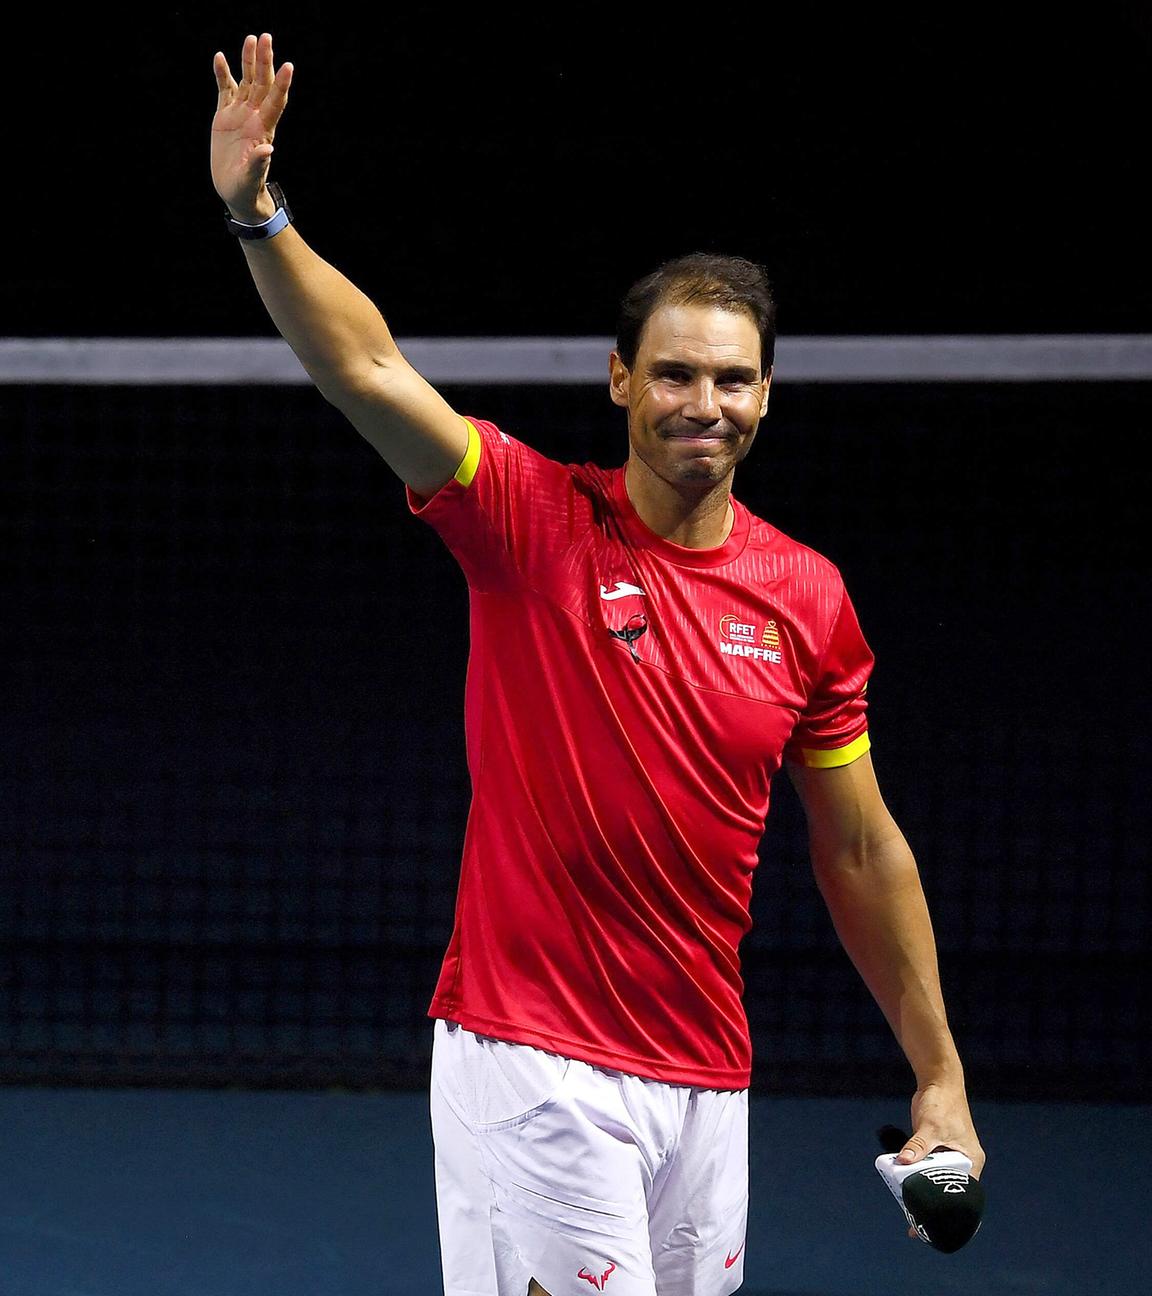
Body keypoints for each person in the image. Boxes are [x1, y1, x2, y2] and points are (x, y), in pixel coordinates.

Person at [211, 32, 985, 1296]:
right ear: (620, 380)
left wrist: (940, 1075)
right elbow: (364, 366)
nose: (704, 402)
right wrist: (260, 214)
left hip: (705, 1075)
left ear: (769, 398)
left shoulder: (809, 601)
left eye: (734, 380)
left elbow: (856, 849)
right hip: (533, 1059)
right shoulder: (525, 518)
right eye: (674, 372)